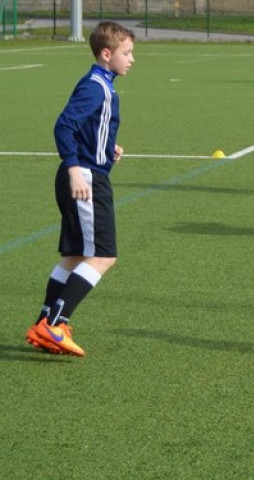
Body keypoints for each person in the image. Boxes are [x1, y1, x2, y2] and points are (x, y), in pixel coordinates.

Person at [25, 22, 136, 357]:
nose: (131, 59)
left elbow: (88, 127)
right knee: (103, 255)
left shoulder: (103, 84)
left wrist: (107, 149)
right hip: (85, 177)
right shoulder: (96, 86)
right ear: (107, 54)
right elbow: (65, 125)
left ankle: (45, 321)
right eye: (127, 53)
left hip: (88, 168)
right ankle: (55, 324)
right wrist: (76, 168)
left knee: (74, 256)